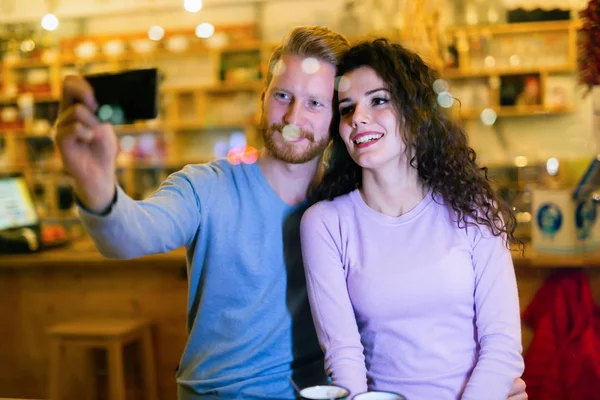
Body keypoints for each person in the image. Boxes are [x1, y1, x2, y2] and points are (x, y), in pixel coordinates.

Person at [53, 25, 528, 399]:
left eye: (317, 103)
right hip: (222, 394)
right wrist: (97, 185)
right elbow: (128, 235)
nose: (294, 116)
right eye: (283, 95)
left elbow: (462, 337)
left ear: (332, 121)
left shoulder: (339, 207)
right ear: (263, 98)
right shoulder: (210, 187)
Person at [300, 38, 525, 400]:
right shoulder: (325, 223)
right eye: (346, 108)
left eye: (379, 100)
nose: (358, 117)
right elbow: (344, 356)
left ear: (414, 111)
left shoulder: (473, 208)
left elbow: (502, 346)